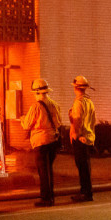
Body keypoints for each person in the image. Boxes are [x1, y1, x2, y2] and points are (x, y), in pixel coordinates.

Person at [21, 77, 62, 207]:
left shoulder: (36, 107)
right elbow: (58, 122)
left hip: (41, 141)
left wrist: (22, 119)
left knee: (43, 172)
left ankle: (45, 198)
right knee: (49, 170)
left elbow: (27, 125)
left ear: (37, 92)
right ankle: (51, 197)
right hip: (53, 140)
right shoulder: (54, 104)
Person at [69, 75, 97, 202]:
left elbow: (77, 120)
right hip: (89, 137)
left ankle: (85, 193)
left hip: (81, 138)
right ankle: (87, 191)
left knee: (82, 167)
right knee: (86, 167)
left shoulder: (79, 102)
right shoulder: (89, 102)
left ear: (76, 87)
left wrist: (76, 135)